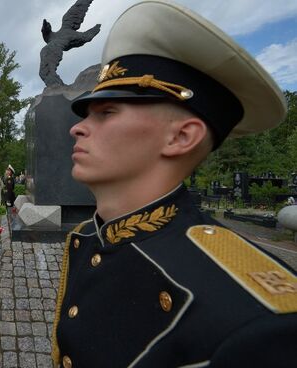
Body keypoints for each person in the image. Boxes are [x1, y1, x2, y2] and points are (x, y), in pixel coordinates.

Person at [52, 1, 297, 367]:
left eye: (107, 112)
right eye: (87, 113)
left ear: (181, 137)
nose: (78, 127)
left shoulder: (260, 322)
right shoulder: (88, 237)